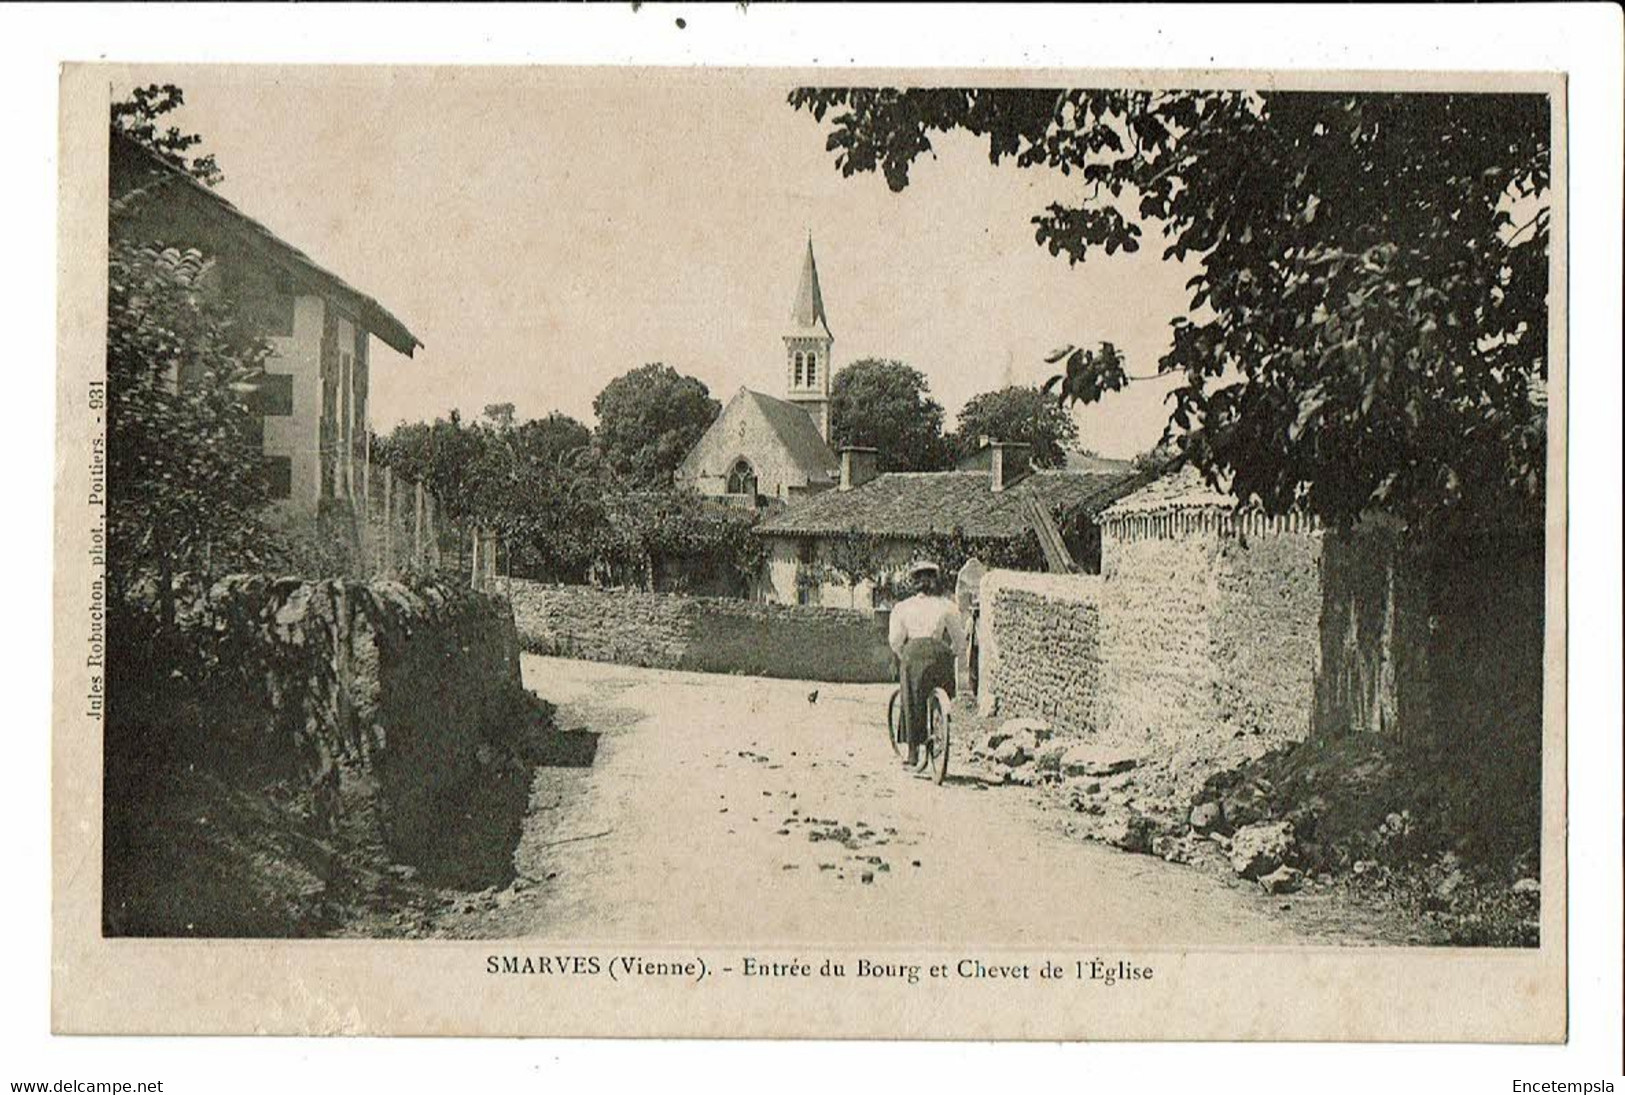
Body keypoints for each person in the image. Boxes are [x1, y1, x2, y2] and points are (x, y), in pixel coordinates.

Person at [888, 560, 967, 768]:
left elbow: (895, 640)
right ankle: (940, 721)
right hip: (939, 655)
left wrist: (902, 654)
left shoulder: (903, 608)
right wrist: (953, 655)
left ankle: (913, 752)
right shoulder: (947, 606)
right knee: (938, 691)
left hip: (913, 654)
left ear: (914, 583)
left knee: (910, 697)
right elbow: (960, 640)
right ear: (935, 581)